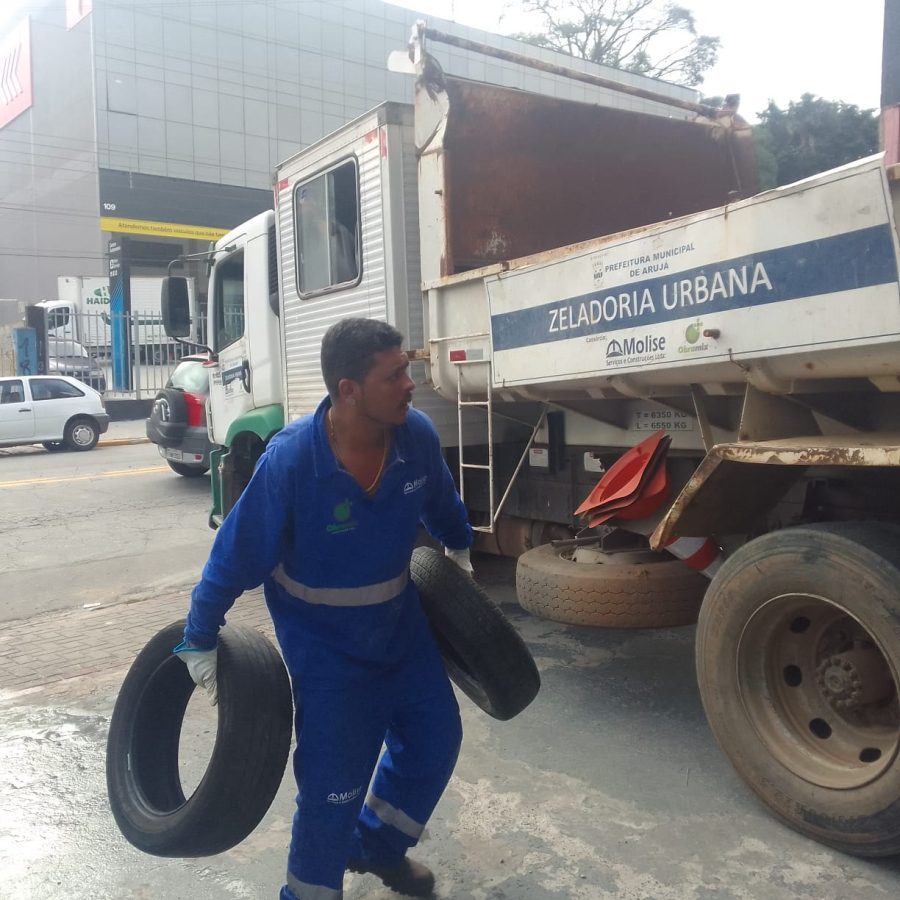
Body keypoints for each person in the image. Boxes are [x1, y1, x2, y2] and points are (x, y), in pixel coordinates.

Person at [174, 317, 474, 900]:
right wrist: (199, 636)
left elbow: (439, 496)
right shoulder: (291, 463)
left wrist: (459, 546)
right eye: (394, 376)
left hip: (401, 630)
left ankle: (377, 848)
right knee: (333, 786)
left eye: (407, 370)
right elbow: (232, 557)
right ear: (348, 390)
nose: (410, 385)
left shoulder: (414, 437)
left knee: (436, 743)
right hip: (327, 647)